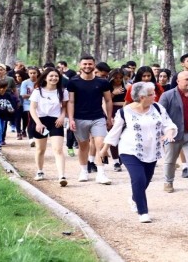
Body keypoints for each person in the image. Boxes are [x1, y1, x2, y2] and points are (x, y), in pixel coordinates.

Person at [103, 82, 177, 223]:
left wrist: (169, 133)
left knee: (145, 180)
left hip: (151, 150)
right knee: (138, 179)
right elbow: (115, 131)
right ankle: (143, 212)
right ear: (142, 97)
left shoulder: (157, 108)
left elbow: (168, 125)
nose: (155, 96)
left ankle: (134, 198)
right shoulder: (124, 112)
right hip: (129, 150)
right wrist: (104, 149)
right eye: (151, 94)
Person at [67, 55, 114, 184]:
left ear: (94, 65)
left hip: (98, 117)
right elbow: (71, 102)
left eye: (90, 64)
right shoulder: (73, 82)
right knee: (83, 146)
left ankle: (101, 173)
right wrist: (70, 119)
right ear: (80, 65)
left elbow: (108, 100)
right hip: (79, 118)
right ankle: (83, 171)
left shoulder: (102, 82)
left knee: (100, 144)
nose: (87, 66)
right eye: (85, 64)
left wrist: (109, 118)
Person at [158, 71, 188, 198]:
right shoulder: (167, 95)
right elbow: (160, 115)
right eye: (187, 79)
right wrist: (164, 133)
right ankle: (168, 182)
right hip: (173, 134)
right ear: (178, 81)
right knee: (170, 160)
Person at [29, 68, 69, 187]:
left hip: (56, 121)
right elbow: (32, 108)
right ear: (45, 77)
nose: (54, 78)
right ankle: (40, 171)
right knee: (40, 149)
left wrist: (62, 117)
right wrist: (38, 123)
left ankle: (62, 175)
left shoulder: (62, 91)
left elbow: (64, 107)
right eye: (51, 76)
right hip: (40, 121)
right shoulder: (38, 91)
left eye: (56, 76)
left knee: (58, 149)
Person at [21, 66, 40, 147]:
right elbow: (23, 95)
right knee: (30, 121)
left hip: (39, 105)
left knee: (37, 122)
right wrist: (35, 95)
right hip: (28, 105)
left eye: (34, 73)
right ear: (28, 74)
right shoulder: (25, 83)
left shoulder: (41, 82)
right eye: (31, 73)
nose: (33, 75)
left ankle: (37, 137)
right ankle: (31, 138)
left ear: (37, 73)